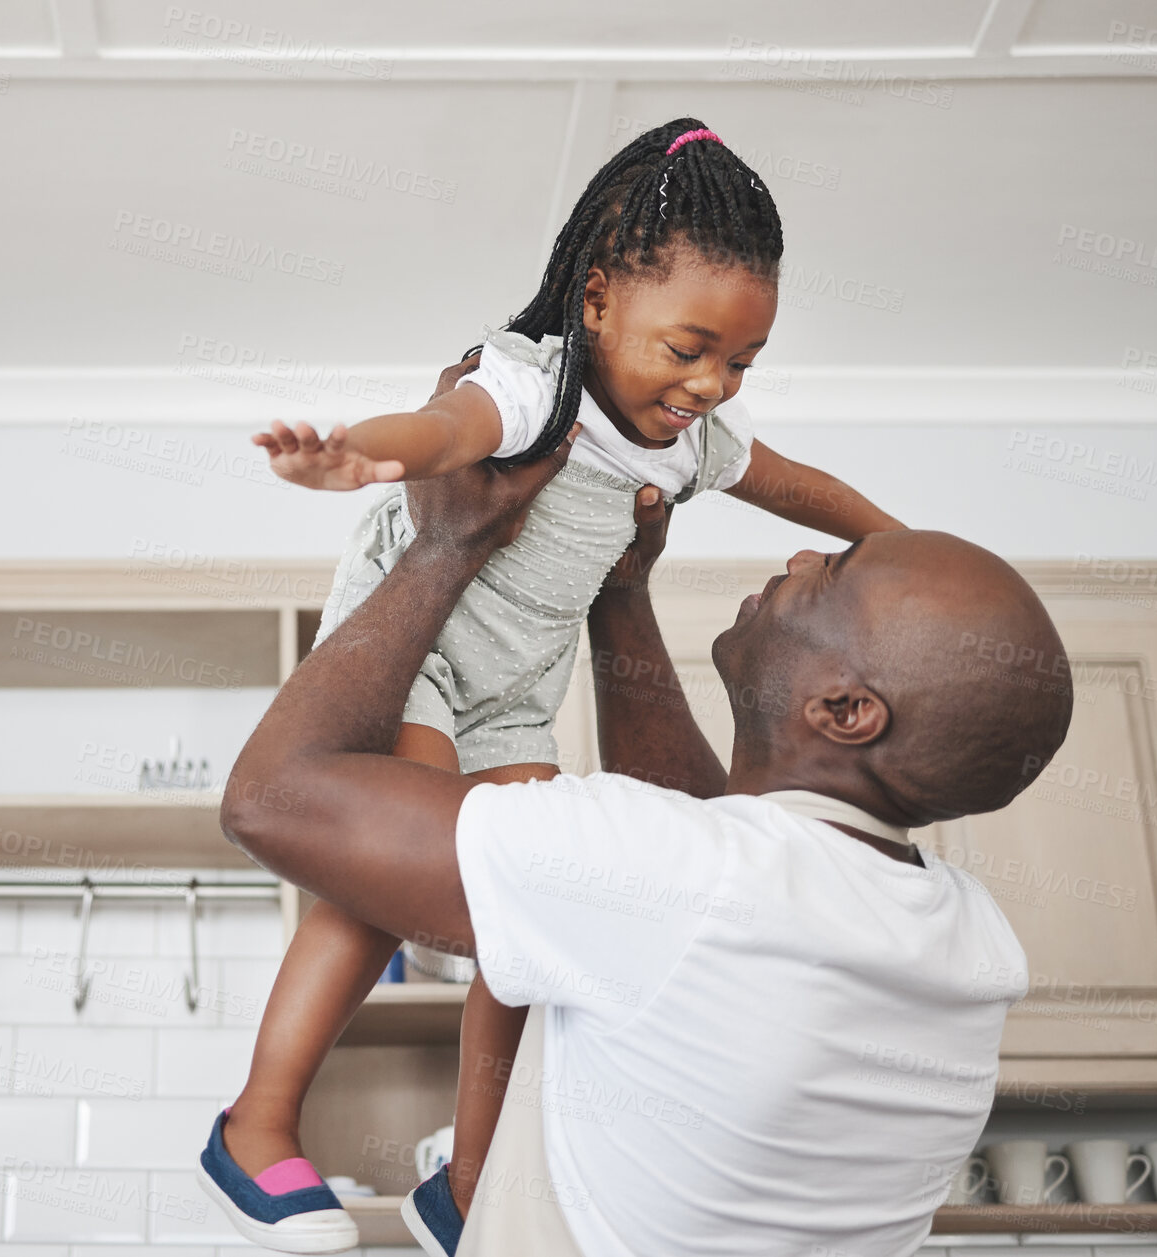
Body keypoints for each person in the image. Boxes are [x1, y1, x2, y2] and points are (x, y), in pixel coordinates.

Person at [203, 117, 905, 1253]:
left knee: (545, 905)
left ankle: (470, 1180)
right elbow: (444, 427)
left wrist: (907, 549)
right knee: (383, 873)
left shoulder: (686, 444)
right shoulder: (539, 386)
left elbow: (798, 484)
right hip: (417, 653)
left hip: (515, 691)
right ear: (595, 305)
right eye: (687, 349)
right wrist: (364, 458)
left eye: (739, 361)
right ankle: (256, 1124)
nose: (712, 383)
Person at [203, 432, 1074, 1256]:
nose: (804, 554)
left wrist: (443, 545)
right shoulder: (969, 942)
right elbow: (714, 842)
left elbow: (274, 801)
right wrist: (620, 590)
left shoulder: (687, 883)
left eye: (832, 575)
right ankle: (462, 1192)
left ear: (846, 711)